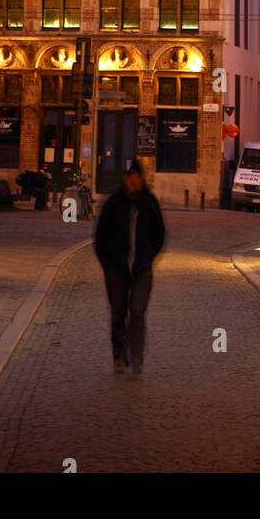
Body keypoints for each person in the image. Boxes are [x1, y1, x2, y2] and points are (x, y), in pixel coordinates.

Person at [94, 159, 165, 375]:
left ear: (142, 180)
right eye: (130, 176)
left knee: (136, 311)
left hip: (141, 268)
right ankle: (118, 355)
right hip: (117, 268)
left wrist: (148, 256)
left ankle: (136, 356)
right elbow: (101, 236)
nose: (134, 180)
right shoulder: (114, 203)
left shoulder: (150, 203)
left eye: (137, 177)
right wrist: (108, 262)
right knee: (118, 313)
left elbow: (159, 233)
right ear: (125, 179)